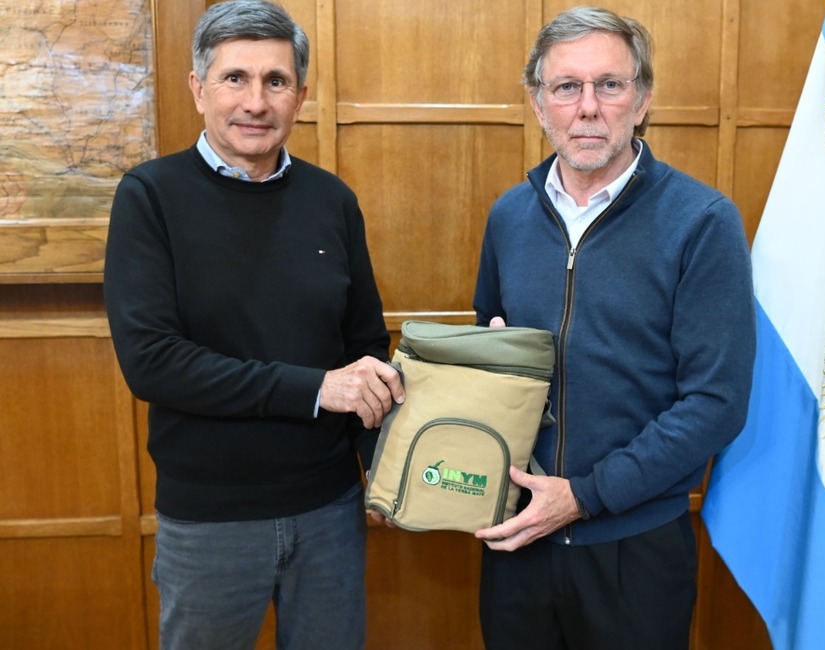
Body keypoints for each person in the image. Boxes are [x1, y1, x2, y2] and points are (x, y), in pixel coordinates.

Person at [103, 2, 402, 648]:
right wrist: (315, 389)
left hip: (330, 513)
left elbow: (365, 347)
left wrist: (390, 471)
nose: (256, 102)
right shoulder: (149, 197)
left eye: (276, 81)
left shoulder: (333, 202)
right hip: (210, 521)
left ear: (301, 95)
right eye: (235, 78)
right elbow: (152, 362)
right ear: (199, 89)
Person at [472, 6, 756, 649]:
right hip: (517, 538)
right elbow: (489, 357)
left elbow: (716, 404)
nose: (588, 107)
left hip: (635, 549)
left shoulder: (702, 221)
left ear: (643, 98)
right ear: (539, 104)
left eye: (610, 84)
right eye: (566, 87)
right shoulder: (509, 217)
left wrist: (585, 495)